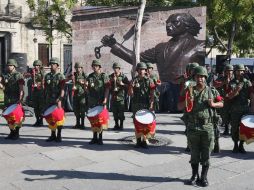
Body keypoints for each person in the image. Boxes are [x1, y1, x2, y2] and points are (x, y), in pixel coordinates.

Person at [101, 13, 205, 112]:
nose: (168, 25)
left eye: (175, 22)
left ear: (187, 25)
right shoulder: (160, 48)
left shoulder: (200, 46)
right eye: (167, 23)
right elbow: (137, 58)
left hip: (185, 94)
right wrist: (113, 44)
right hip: (164, 95)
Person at [177, 66, 223, 187]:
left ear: (205, 78)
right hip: (193, 126)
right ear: (194, 78)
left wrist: (213, 103)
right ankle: (194, 176)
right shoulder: (188, 91)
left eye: (202, 77)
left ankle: (203, 177)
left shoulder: (211, 91)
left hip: (207, 127)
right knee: (194, 154)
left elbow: (222, 103)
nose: (200, 79)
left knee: (206, 153)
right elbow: (179, 107)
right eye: (198, 76)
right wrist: (187, 101)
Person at [128, 62, 155, 148]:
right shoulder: (134, 80)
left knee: (145, 124)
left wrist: (151, 105)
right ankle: (138, 141)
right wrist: (131, 87)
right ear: (137, 70)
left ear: (145, 71)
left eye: (143, 69)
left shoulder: (150, 81)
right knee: (137, 123)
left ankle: (144, 141)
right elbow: (130, 94)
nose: (141, 71)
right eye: (139, 69)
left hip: (145, 105)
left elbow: (152, 94)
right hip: (136, 104)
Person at [226, 64, 252, 153]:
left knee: (245, 128)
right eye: (238, 70)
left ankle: (241, 145)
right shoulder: (232, 83)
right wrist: (237, 89)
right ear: (235, 71)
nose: (240, 72)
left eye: (241, 71)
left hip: (245, 109)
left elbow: (251, 95)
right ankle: (235, 145)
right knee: (234, 128)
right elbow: (230, 96)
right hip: (235, 110)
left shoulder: (247, 82)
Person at [86, 60, 110, 145]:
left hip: (101, 100)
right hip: (93, 101)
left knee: (100, 120)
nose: (94, 67)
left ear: (99, 67)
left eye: (96, 66)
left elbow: (107, 89)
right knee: (93, 120)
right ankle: (94, 137)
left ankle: (100, 138)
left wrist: (105, 99)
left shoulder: (104, 76)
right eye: (93, 66)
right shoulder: (90, 76)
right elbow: (88, 88)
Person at [0, 59, 25, 140]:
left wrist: (20, 99)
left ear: (14, 66)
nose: (9, 67)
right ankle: (11, 132)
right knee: (8, 117)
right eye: (8, 65)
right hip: (7, 99)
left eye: (10, 65)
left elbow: (21, 89)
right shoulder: (5, 75)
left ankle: (16, 133)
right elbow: (3, 87)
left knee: (17, 117)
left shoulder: (18, 75)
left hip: (16, 99)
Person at [44, 57, 65, 142]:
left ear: (57, 65)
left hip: (57, 99)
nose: (51, 65)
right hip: (49, 99)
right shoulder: (47, 76)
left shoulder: (61, 76)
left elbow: (63, 89)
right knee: (51, 118)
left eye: (53, 64)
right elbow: (45, 87)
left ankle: (59, 135)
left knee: (59, 118)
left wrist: (60, 99)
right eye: (51, 64)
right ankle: (53, 134)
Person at [213, 64, 234, 135]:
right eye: (227, 72)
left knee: (232, 115)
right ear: (224, 72)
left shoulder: (235, 78)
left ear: (232, 72)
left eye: (230, 72)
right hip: (223, 99)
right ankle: (226, 128)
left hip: (233, 100)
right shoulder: (221, 78)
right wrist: (223, 83)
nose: (228, 73)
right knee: (224, 115)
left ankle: (232, 129)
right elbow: (214, 84)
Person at [109, 62, 129, 130]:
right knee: (115, 112)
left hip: (121, 97)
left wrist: (122, 84)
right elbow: (108, 86)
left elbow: (128, 86)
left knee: (121, 112)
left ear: (119, 69)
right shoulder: (111, 76)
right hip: (114, 97)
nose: (115, 69)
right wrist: (111, 82)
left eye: (117, 68)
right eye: (114, 68)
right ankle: (116, 124)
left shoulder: (123, 76)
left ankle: (121, 125)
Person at [72, 62, 87, 129]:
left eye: (79, 67)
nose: (78, 69)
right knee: (76, 109)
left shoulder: (84, 75)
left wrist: (83, 82)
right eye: (76, 68)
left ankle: (82, 124)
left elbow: (88, 83)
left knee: (82, 110)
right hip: (75, 94)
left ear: (81, 68)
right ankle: (77, 123)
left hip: (82, 95)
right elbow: (66, 78)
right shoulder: (74, 75)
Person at [31, 60, 45, 126]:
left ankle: (41, 120)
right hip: (35, 91)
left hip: (41, 91)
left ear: (40, 66)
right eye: (35, 65)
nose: (36, 67)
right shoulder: (33, 72)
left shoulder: (42, 72)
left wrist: (38, 84)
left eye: (37, 65)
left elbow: (43, 81)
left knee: (41, 106)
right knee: (36, 107)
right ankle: (37, 120)